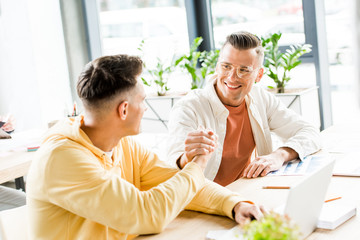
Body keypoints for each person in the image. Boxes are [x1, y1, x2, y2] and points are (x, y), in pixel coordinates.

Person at [26, 54, 265, 240]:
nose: (146, 108)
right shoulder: (62, 159)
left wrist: (233, 204)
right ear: (124, 110)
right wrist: (198, 163)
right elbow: (146, 214)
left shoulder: (122, 144)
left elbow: (177, 184)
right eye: (142, 100)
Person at [167, 31, 322, 186]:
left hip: (248, 191)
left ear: (259, 75)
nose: (232, 77)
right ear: (217, 67)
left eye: (243, 70)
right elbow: (171, 169)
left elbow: (310, 132)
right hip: (207, 199)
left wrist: (279, 156)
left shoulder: (261, 98)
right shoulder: (188, 108)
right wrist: (188, 157)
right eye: (226, 66)